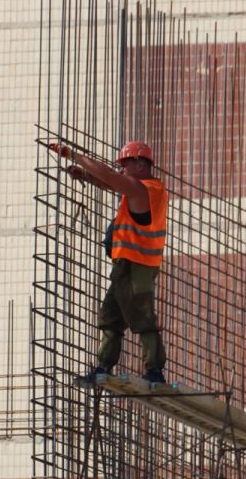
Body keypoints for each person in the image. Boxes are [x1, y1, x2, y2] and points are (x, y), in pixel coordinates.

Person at [47, 139, 168, 386]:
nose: (122, 169)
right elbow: (111, 182)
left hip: (138, 265)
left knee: (141, 315)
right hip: (126, 264)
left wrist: (74, 156)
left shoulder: (145, 190)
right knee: (111, 315)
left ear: (139, 164)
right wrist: (86, 176)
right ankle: (103, 365)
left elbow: (112, 178)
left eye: (125, 164)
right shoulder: (141, 189)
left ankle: (154, 370)